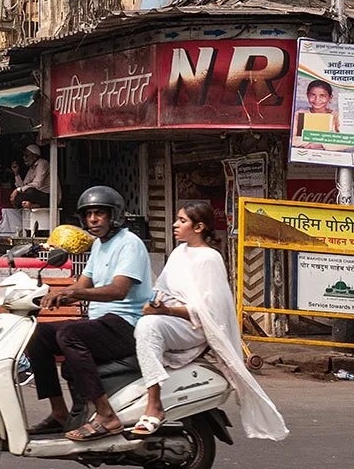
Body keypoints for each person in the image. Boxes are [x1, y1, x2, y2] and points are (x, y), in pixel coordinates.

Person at [132, 201, 288, 441]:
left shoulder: (209, 259)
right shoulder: (178, 253)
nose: (175, 225)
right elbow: (162, 288)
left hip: (193, 327)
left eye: (182, 221)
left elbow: (210, 311)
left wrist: (167, 311)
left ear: (199, 227)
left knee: (148, 327)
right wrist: (153, 304)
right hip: (170, 320)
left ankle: (154, 406)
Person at [28, 185, 153, 441]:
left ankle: (106, 415)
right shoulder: (98, 245)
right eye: (88, 214)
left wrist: (74, 294)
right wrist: (55, 294)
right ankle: (59, 412)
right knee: (38, 334)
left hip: (126, 324)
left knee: (70, 334)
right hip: (101, 322)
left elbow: (119, 290)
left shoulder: (130, 244)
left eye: (99, 213)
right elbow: (83, 284)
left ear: (114, 215)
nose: (93, 219)